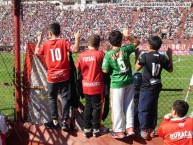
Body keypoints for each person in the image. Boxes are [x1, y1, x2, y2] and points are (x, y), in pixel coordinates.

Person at [35, 22, 81, 131]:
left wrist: (39, 41)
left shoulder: (46, 44)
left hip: (52, 76)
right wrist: (77, 38)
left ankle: (55, 120)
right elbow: (75, 50)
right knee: (65, 97)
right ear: (60, 32)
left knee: (52, 97)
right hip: (64, 75)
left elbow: (37, 52)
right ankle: (65, 120)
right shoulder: (64, 41)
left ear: (50, 33)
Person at [102, 28, 140, 138]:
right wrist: (128, 36)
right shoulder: (126, 49)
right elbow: (137, 43)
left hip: (117, 83)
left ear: (109, 42)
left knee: (117, 107)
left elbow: (105, 70)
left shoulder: (108, 54)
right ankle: (130, 128)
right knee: (129, 105)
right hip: (129, 80)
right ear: (121, 41)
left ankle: (118, 131)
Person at [135, 36, 173, 139]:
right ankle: (152, 130)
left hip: (147, 86)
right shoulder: (162, 57)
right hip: (157, 86)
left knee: (143, 109)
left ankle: (143, 130)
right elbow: (170, 70)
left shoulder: (145, 55)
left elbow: (137, 68)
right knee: (153, 108)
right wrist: (170, 56)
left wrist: (137, 56)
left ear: (150, 45)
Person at [76, 34, 105, 137]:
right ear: (99, 44)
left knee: (88, 106)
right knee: (97, 107)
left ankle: (86, 127)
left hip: (86, 85)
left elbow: (78, 67)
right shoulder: (101, 54)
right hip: (97, 85)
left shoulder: (82, 55)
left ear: (88, 44)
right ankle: (96, 128)